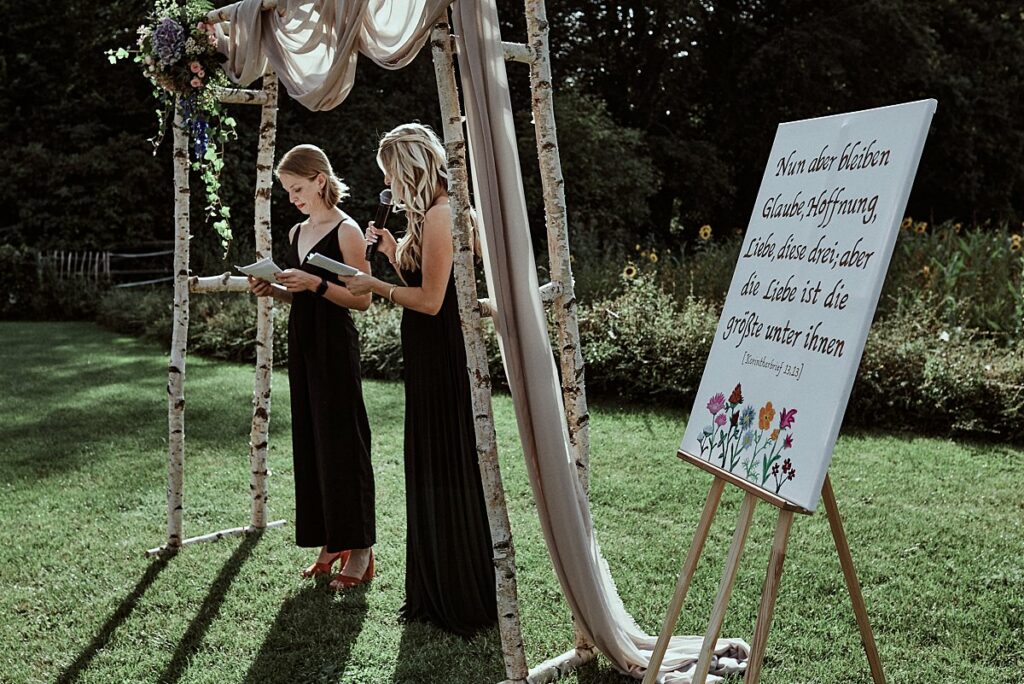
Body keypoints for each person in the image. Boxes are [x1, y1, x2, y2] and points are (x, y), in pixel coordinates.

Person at [342, 124, 497, 636]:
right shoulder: (433, 215)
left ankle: (457, 592)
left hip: (442, 354)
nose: (391, 186)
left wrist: (375, 286)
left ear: (409, 166)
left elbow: (431, 302)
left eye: (392, 175)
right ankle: (437, 586)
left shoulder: (443, 213)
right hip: (429, 355)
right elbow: (432, 284)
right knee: (431, 464)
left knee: (446, 464)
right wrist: (389, 252)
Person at [247, 144, 376, 591]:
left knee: (344, 441)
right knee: (313, 442)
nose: (293, 198)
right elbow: (303, 292)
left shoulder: (348, 230)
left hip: (335, 345)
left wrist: (316, 282)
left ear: (320, 180)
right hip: (303, 342)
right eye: (287, 191)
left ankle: (360, 550)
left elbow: (362, 299)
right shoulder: (297, 232)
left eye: (297, 188)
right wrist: (275, 289)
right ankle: (330, 542)